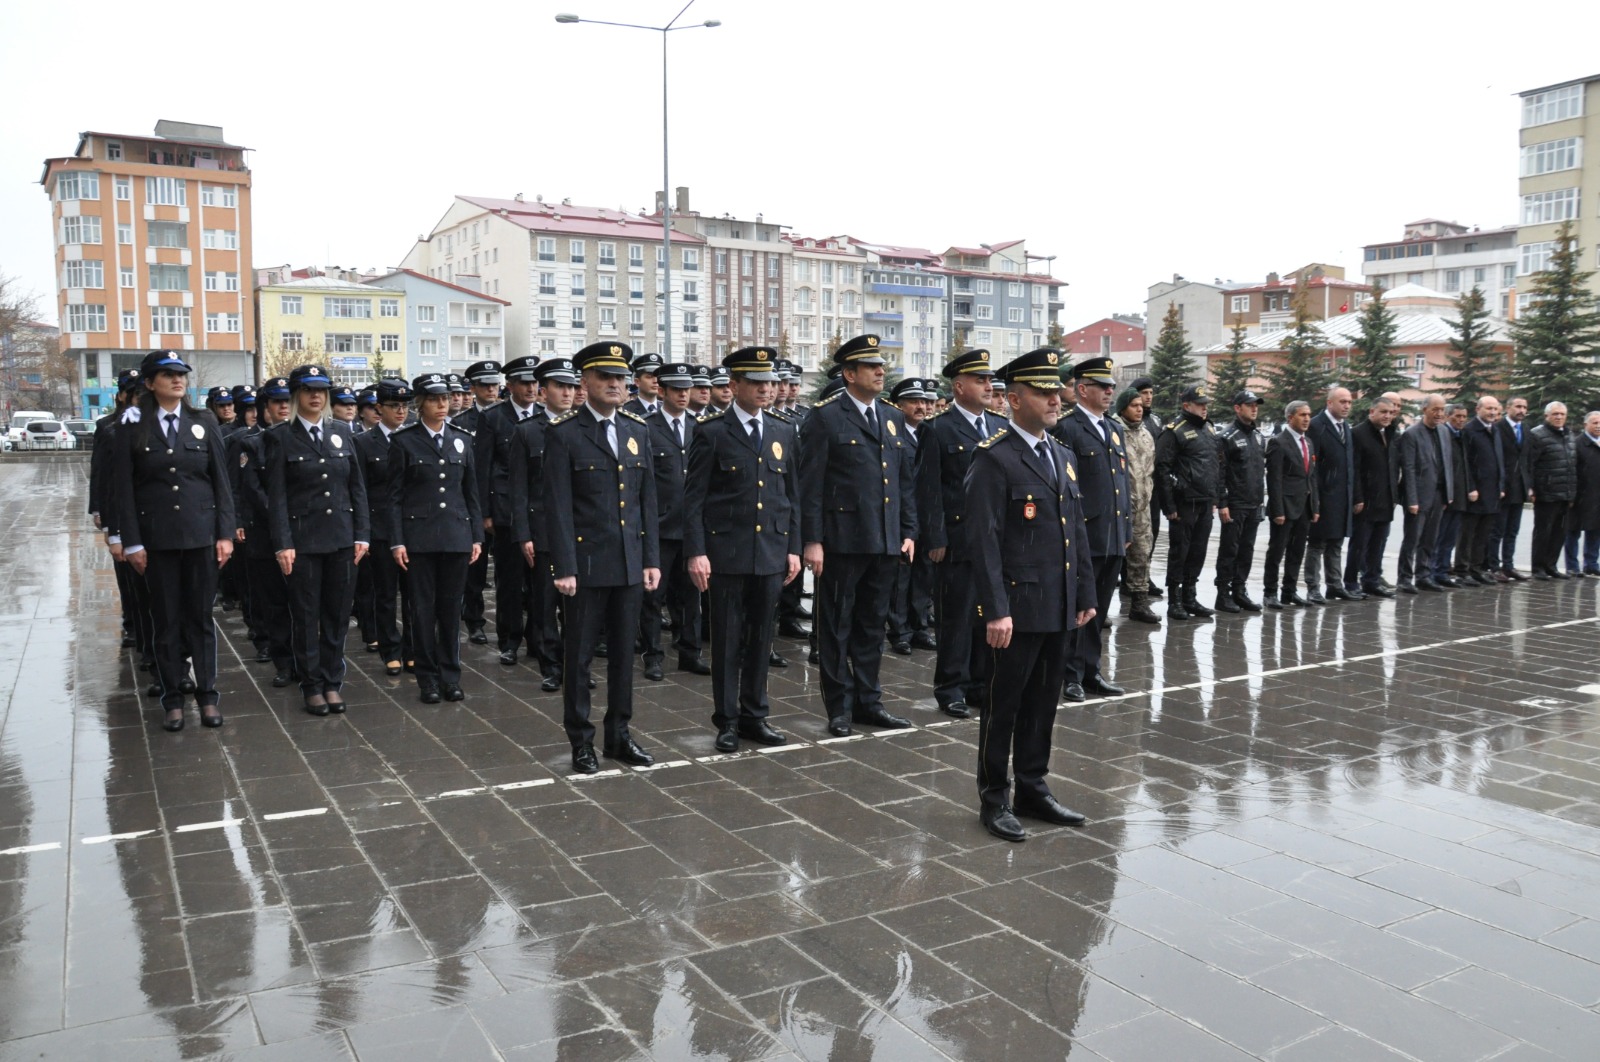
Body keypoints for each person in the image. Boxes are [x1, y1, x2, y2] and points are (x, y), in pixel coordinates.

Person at [965, 346, 1095, 842]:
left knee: (1044, 703)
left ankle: (1033, 787)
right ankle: (994, 797)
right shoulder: (994, 459)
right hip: (1016, 610)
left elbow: (1074, 532)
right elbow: (983, 543)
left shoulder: (1061, 455)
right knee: (1004, 706)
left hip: (1059, 604)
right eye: (1043, 392)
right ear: (1013, 400)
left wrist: (1084, 591)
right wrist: (995, 610)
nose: (1055, 399)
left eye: (1055, 391)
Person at [543, 342, 661, 773]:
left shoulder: (637, 430)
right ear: (585, 382)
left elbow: (647, 501)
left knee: (624, 658)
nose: (615, 384)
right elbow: (556, 507)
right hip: (586, 568)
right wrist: (565, 567)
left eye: (620, 378)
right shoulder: (564, 434)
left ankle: (619, 735)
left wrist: (651, 558)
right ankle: (581, 740)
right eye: (605, 378)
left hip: (630, 564)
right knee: (579, 657)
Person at [110, 350, 236, 731]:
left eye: (181, 374)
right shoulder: (132, 426)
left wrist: (225, 533)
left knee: (200, 619)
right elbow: (123, 491)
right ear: (150, 383)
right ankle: (172, 699)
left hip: (200, 536)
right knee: (165, 621)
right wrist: (131, 542)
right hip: (157, 539)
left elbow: (221, 483)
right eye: (167, 375)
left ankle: (208, 695)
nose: (177, 380)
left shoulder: (203, 421)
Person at [800, 333, 918, 737]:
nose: (880, 371)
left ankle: (870, 701)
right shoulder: (826, 417)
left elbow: (903, 481)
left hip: (885, 540)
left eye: (881, 365)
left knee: (871, 625)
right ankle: (839, 706)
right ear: (849, 374)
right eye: (871, 366)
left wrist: (908, 531)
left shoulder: (891, 416)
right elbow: (810, 484)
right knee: (836, 626)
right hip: (842, 540)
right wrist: (812, 541)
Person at [685, 347, 801, 752]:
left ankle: (756, 715)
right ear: (734, 386)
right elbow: (694, 499)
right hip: (727, 554)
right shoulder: (712, 432)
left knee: (761, 640)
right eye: (757, 383)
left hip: (769, 551)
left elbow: (791, 496)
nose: (767, 389)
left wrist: (793, 547)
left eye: (770, 383)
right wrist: (696, 552)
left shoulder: (783, 431)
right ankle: (727, 720)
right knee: (728, 641)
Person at [265, 365, 369, 716]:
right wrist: (282, 543)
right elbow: (277, 497)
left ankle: (331, 681)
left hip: (342, 538)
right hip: (303, 542)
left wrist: (362, 535)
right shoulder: (280, 437)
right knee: (307, 616)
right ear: (296, 396)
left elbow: (357, 489)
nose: (316, 396)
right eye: (308, 391)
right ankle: (311, 684)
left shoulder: (341, 432)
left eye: (322, 391)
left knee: (337, 615)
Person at [917, 349, 1005, 717]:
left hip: (994, 542)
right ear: (959, 386)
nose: (988, 385)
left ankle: (980, 684)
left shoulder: (1000, 426)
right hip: (956, 540)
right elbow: (928, 489)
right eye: (980, 380)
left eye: (989, 380)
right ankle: (950, 687)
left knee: (989, 615)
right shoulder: (937, 429)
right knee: (956, 616)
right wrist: (935, 537)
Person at [389, 373, 483, 703]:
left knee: (450, 610)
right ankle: (427, 678)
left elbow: (470, 491)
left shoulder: (462, 438)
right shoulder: (404, 442)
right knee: (422, 611)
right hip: (420, 539)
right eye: (434, 399)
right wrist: (398, 541)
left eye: (445, 398)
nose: (442, 405)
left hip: (456, 535)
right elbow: (395, 496)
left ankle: (450, 676)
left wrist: (476, 536)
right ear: (420, 404)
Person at [1050, 357, 1128, 700]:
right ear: (1082, 389)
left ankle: (1092, 670)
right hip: (1086, 535)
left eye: (1111, 386)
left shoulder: (1113, 428)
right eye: (1102, 386)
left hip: (1113, 534)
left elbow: (1119, 482)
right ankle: (1070, 674)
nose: (1110, 390)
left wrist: (1125, 530)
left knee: (1100, 610)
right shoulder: (1067, 428)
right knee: (1079, 609)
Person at [510, 356, 582, 692]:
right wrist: (524, 533)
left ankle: (576, 666)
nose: (567, 393)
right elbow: (520, 490)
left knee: (579, 606)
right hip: (542, 530)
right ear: (543, 391)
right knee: (545, 603)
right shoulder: (527, 431)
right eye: (559, 386)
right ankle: (551, 666)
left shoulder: (584, 426)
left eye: (571, 386)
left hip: (580, 530)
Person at [641, 362, 708, 679]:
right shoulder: (644, 427)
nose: (684, 395)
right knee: (653, 597)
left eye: (687, 389)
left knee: (690, 596)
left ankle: (689, 652)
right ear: (662, 391)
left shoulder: (701, 426)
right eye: (677, 389)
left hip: (692, 528)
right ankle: (653, 655)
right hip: (659, 527)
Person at [479, 356, 543, 666]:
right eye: (525, 382)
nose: (531, 388)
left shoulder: (545, 416)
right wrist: (486, 512)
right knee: (509, 580)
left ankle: (537, 638)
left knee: (539, 581)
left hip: (539, 510)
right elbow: (483, 467)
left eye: (534, 382)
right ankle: (509, 639)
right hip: (505, 510)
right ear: (510, 386)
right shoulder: (494, 418)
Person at [353, 378, 413, 677]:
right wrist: (361, 532)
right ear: (379, 408)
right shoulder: (363, 443)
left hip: (413, 527)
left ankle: (413, 648)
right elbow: (359, 490)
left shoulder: (415, 437)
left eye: (405, 406)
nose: (401, 412)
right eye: (394, 406)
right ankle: (391, 647)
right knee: (386, 593)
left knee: (415, 593)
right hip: (380, 528)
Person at [1154, 384, 1223, 620]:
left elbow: (1216, 465)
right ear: (1186, 406)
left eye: (1206, 405)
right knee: (1179, 553)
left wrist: (1216, 497)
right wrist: (1169, 506)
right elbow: (1162, 469)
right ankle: (1174, 599)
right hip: (1185, 504)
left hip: (1204, 502)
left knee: (1198, 552)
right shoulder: (1175, 432)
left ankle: (1190, 597)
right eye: (1200, 404)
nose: (1204, 409)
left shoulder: (1210, 430)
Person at [887, 376, 938, 655]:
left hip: (926, 515)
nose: (921, 406)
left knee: (924, 574)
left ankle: (919, 627)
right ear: (899, 405)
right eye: (913, 402)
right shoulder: (893, 434)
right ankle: (899, 631)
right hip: (902, 518)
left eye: (923, 401)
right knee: (901, 576)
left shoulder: (930, 433)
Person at [453, 360, 503, 645]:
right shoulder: (462, 423)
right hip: (473, 505)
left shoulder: (506, 417)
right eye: (485, 385)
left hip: (503, 503)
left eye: (494, 384)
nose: (491, 389)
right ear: (472, 389)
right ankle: (474, 620)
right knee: (475, 569)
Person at [1214, 390, 1267, 613]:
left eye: (1256, 405)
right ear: (1237, 408)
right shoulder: (1226, 437)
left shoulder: (1258, 436)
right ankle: (1223, 593)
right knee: (1230, 550)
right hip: (1235, 504)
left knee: (1247, 550)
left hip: (1253, 503)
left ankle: (1240, 589)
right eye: (1249, 405)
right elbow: (1220, 473)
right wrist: (1223, 502)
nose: (1254, 408)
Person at [1394, 395, 1453, 593]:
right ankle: (1404, 578)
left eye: (1442, 409)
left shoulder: (1444, 431)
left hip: (1438, 494)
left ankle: (1424, 575)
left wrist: (1448, 493)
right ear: (1424, 410)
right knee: (1412, 539)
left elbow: (1447, 463)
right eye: (1435, 409)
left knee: (1430, 538)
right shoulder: (1412, 434)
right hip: (1418, 496)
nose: (1439, 413)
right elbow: (1408, 468)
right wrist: (1411, 499)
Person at [1263, 400, 1319, 608]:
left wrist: (1315, 506)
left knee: (1297, 551)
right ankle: (1270, 592)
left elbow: (1311, 477)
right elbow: (1274, 479)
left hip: (1304, 506)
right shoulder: (1279, 442)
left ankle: (1290, 591)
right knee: (1277, 551)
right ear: (1290, 418)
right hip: (1284, 507)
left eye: (1308, 415)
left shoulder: (1309, 442)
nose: (1306, 419)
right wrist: (1278, 510)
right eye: (1302, 415)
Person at [1112, 386, 1160, 623]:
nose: (1140, 409)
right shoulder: (1112, 431)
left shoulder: (1146, 434)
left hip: (1142, 507)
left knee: (1141, 555)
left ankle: (1139, 603)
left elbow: (1150, 470)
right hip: (1118, 506)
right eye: (1134, 405)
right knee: (1111, 558)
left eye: (1141, 406)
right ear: (1123, 408)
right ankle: (1100, 608)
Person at [1304, 386, 1356, 602]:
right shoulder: (1317, 426)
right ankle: (1312, 587)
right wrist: (1315, 500)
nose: (1346, 406)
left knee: (1336, 542)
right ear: (1329, 403)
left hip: (1342, 497)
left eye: (1349, 402)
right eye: (1342, 401)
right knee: (1317, 543)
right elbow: (1312, 467)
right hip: (1323, 496)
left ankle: (1334, 584)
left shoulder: (1346, 428)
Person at [1346, 396, 1399, 597]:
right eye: (1383, 412)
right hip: (1366, 501)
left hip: (1385, 500)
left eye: (1391, 413)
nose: (1387, 416)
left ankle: (1372, 581)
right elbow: (1355, 469)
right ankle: (1351, 583)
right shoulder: (1358, 434)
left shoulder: (1391, 433)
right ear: (1372, 412)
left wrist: (1394, 496)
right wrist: (1357, 498)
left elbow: (1393, 467)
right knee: (1359, 545)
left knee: (1379, 544)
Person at [1524, 402, 1577, 579]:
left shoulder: (1569, 435)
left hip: (1565, 493)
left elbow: (1572, 464)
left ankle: (1551, 565)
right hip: (1546, 492)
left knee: (1559, 532)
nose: (1559, 417)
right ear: (1547, 416)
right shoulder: (1537, 435)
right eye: (1555, 414)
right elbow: (1530, 464)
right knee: (1543, 531)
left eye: (1562, 414)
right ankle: (1538, 567)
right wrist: (1532, 488)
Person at [1458, 396, 1507, 584]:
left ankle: (1476, 568)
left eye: (1495, 409)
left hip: (1492, 490)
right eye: (1488, 409)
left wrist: (1501, 485)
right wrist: (1471, 487)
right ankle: (1463, 570)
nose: (1493, 412)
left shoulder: (1494, 430)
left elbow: (1499, 460)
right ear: (1478, 409)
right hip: (1476, 491)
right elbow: (1466, 462)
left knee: (1483, 533)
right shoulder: (1470, 430)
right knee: (1468, 533)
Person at [1432, 404, 1473, 587]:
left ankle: (1442, 572)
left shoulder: (1462, 435)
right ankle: (1433, 571)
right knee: (1438, 536)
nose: (1461, 420)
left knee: (1450, 538)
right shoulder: (1443, 434)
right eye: (1457, 416)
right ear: (1448, 416)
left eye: (1464, 416)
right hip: (1446, 495)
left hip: (1460, 495)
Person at [1491, 396, 1531, 579]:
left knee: (1512, 530)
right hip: (1502, 487)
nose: (1521, 410)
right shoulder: (1498, 428)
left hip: (1519, 488)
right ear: (1508, 408)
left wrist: (1529, 486)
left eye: (1524, 407)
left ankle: (1508, 565)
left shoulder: (1526, 429)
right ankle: (1493, 566)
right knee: (1497, 530)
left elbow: (1527, 460)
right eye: (1518, 406)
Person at [1566, 411, 1600, 576]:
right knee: (1573, 532)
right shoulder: (1577, 443)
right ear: (1585, 424)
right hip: (1580, 495)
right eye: (1594, 423)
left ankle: (1591, 564)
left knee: (1595, 531)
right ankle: (1572, 566)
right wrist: (1571, 494)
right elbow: (1571, 471)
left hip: (1597, 496)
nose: (1598, 426)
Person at [624, 352, 664, 417]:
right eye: (649, 377)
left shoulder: (667, 409)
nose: (655, 381)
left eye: (658, 376)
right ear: (637, 382)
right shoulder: (627, 411)